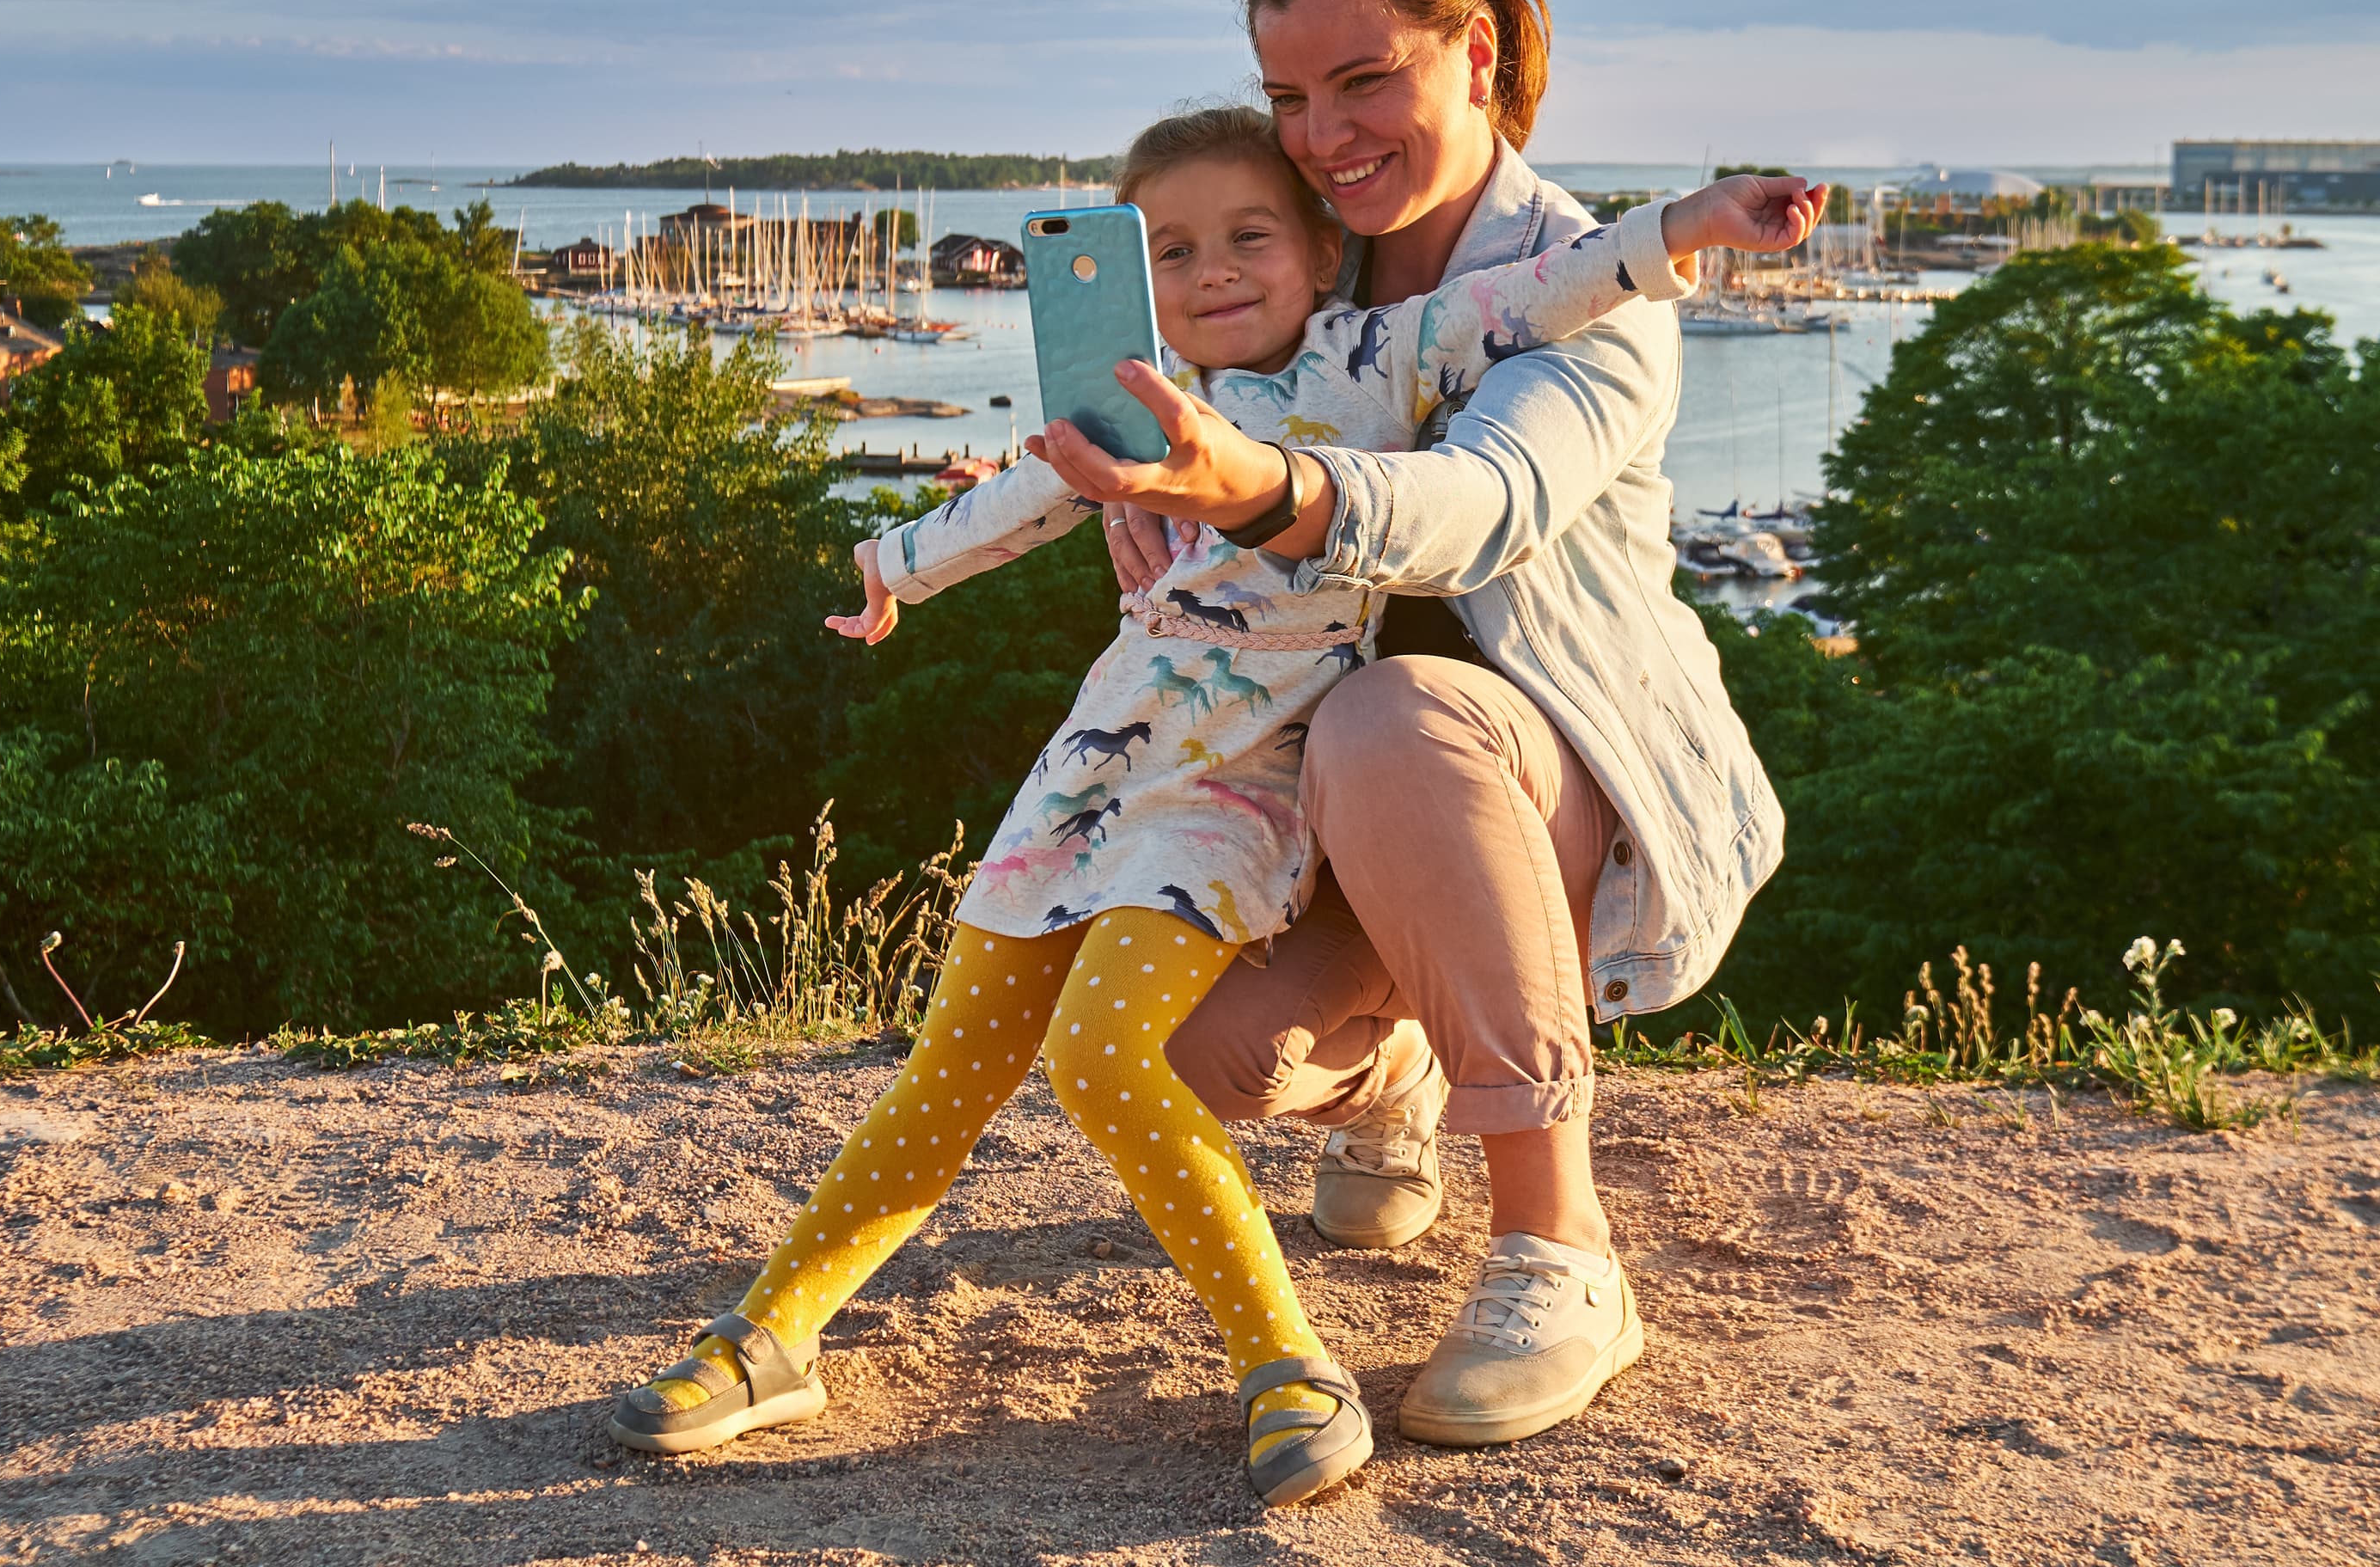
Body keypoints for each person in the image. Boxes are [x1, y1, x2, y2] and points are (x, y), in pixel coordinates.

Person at [605, 101, 1818, 1505]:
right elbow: (1021, 498)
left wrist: (1690, 227)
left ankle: (1284, 1367)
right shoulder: (1137, 404)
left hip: (1241, 793)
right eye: (1172, 251)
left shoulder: (1378, 355)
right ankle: (777, 1335)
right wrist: (893, 565)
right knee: (949, 1063)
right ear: (1138, 284)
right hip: (1094, 776)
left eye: (1251, 235)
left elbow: (1536, 292)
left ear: (1318, 248)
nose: (1217, 270)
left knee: (1107, 1060)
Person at [1028, 0, 1793, 1453]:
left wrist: (1266, 490)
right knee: (1179, 1036)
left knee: (1397, 717)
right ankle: (1401, 1084)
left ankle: (1561, 1249)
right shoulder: (1299, 256)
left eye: (1366, 79)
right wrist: (1158, 495)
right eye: (1290, 95)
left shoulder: (1588, 282)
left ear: (1480, 55)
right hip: (1320, 804)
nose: (1323, 133)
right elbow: (1200, 454)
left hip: (1548, 776)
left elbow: (1482, 505)